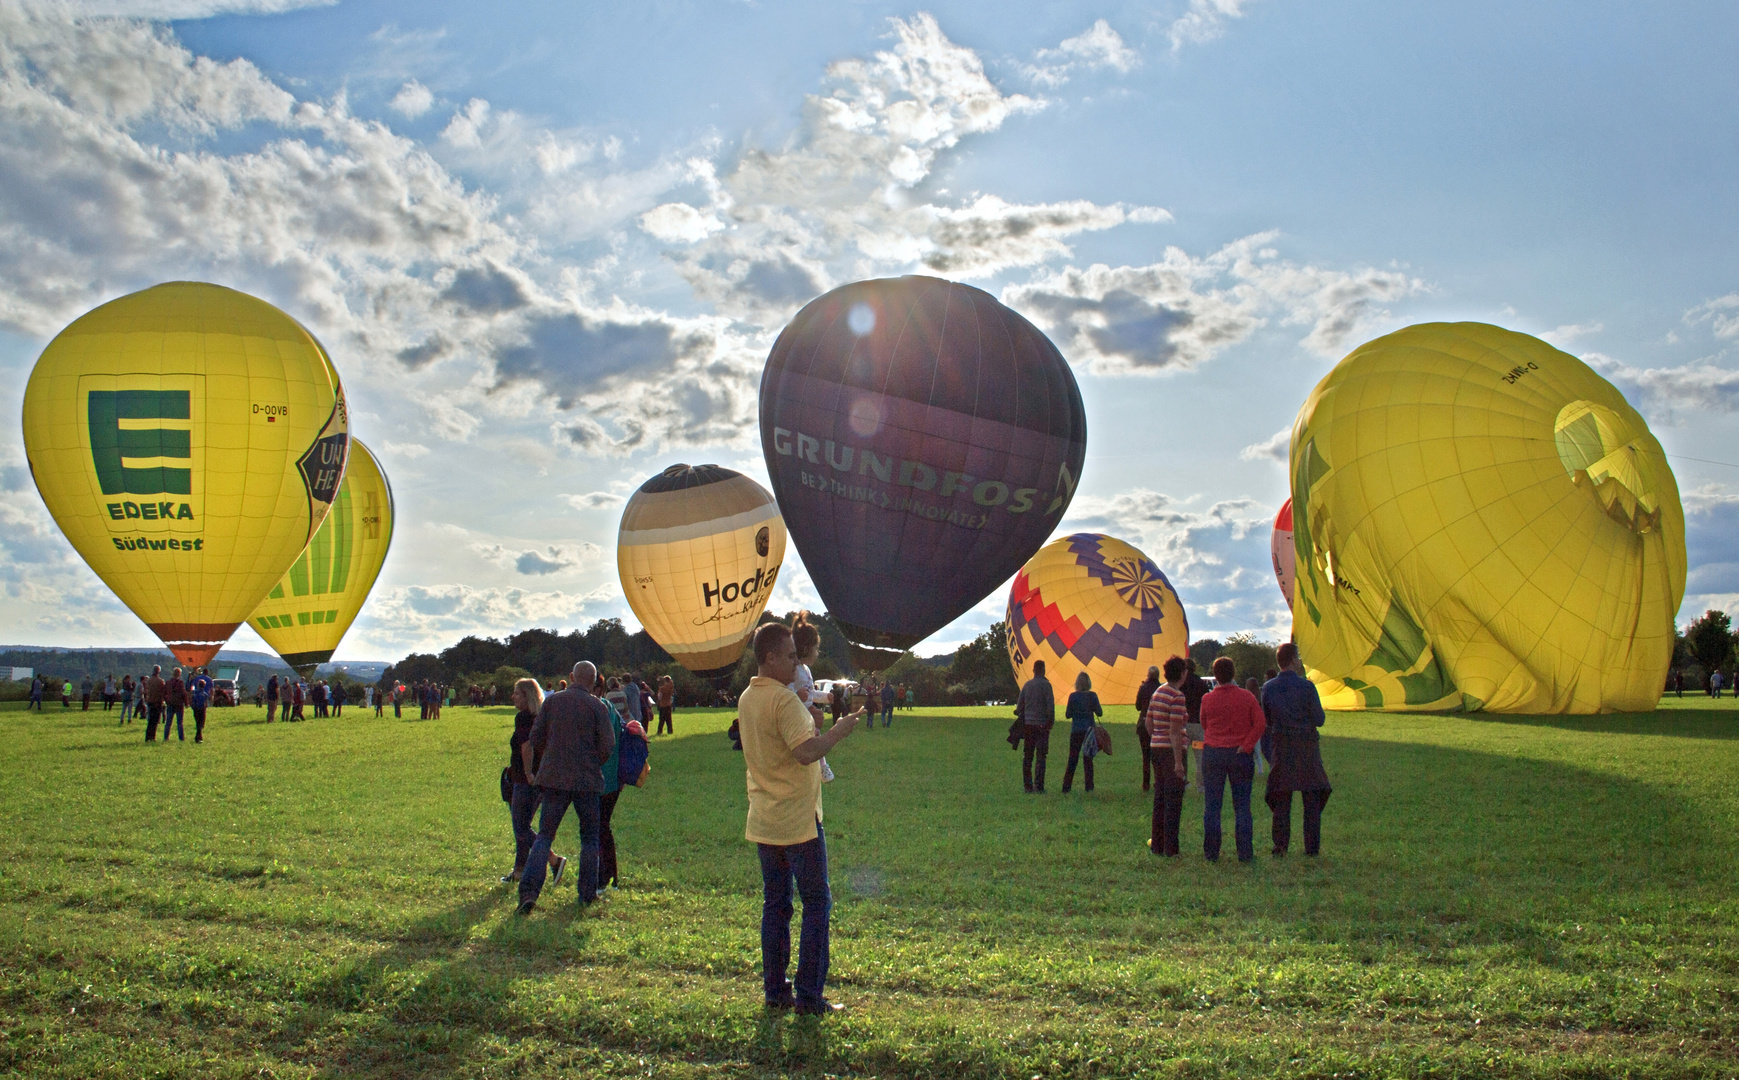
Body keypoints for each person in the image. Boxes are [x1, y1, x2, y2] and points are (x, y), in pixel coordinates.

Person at [739, 621, 863, 1015]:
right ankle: (809, 994)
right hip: (797, 820)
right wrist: (840, 731)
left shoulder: (747, 698)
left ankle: (775, 990)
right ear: (770, 657)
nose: (797, 663)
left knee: (775, 905)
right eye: (790, 656)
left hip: (764, 818)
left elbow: (786, 738)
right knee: (816, 902)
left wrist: (812, 726)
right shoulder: (783, 699)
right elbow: (806, 752)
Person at [518, 662, 616, 915]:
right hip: (587, 780)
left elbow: (536, 738)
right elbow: (607, 745)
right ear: (594, 682)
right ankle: (587, 894)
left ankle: (529, 893)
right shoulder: (597, 706)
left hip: (554, 778)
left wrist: (552, 756)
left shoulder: (552, 702)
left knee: (544, 836)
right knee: (590, 839)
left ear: (571, 677)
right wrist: (591, 761)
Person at [1261, 643, 1333, 857]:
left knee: (1281, 801)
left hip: (1282, 749)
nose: (1300, 661)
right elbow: (1319, 720)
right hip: (1306, 749)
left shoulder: (1268, 688)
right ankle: (1311, 847)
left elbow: (1267, 720)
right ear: (1292, 660)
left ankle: (1280, 846)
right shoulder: (1307, 687)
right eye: (1299, 657)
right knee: (1311, 800)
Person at [1199, 657, 1266, 862]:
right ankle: (1245, 853)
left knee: (1212, 806)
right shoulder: (1246, 697)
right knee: (1242, 806)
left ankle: (1211, 853)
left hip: (1213, 753)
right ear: (1234, 673)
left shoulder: (1207, 699)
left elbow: (1204, 724)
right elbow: (1260, 723)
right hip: (1239, 755)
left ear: (1215, 675)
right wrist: (1246, 745)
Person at [503, 678, 566, 886]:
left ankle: (554, 860)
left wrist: (528, 772)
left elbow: (526, 746)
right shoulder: (541, 716)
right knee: (523, 826)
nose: (513, 697)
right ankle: (519, 871)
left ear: (527, 696)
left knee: (521, 828)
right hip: (540, 777)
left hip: (526, 779)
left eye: (517, 693)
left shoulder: (523, 718)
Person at [1144, 656, 1191, 857]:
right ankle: (1171, 848)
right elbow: (1175, 731)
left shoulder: (1158, 692)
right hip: (1171, 751)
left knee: (1160, 797)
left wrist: (1156, 736)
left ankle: (1157, 844)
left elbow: (1148, 721)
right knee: (1174, 799)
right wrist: (1179, 762)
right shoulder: (1177, 696)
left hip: (1156, 747)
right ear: (1182, 674)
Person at [789, 613, 835, 783]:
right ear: (807, 648)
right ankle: (822, 767)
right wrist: (796, 696)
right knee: (813, 737)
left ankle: (822, 766)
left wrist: (825, 697)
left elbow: (811, 693)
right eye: (816, 649)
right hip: (799, 712)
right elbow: (785, 692)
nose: (817, 653)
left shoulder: (807, 671)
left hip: (808, 711)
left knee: (815, 734)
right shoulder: (793, 670)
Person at [1016, 660, 1056, 793]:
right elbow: (1050, 708)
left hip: (1028, 725)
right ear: (1043, 670)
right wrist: (1050, 723)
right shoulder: (1047, 685)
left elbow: (1019, 707)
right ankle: (1039, 786)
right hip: (1042, 726)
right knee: (1041, 756)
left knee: (1027, 756)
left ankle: (1028, 786)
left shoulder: (1026, 685)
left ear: (1033, 670)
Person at [1060, 671, 1103, 794]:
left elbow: (1068, 715)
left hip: (1076, 730)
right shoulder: (1092, 696)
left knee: (1072, 759)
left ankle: (1066, 787)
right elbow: (1100, 713)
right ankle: (1089, 786)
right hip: (1089, 731)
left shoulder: (1073, 697)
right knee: (1088, 759)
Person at [1181, 658, 1211, 792]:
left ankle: (1183, 782)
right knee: (1199, 757)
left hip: (1183, 725)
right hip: (1198, 726)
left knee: (1182, 755)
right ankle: (1201, 785)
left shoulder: (1180, 684)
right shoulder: (1201, 684)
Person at [1133, 665, 1160, 792]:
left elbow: (1138, 706)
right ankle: (1158, 782)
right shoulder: (1160, 689)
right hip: (1158, 724)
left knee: (1146, 756)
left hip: (1144, 724)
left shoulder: (1143, 688)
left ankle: (1146, 784)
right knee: (1158, 756)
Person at [189, 667, 213, 743]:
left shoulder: (197, 680)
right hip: (202, 708)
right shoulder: (209, 681)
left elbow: (192, 687)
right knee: (201, 723)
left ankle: (198, 736)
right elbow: (211, 690)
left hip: (196, 707)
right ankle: (199, 737)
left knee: (197, 722)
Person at [143, 665, 167, 742]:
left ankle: (148, 736)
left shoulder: (149, 680)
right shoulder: (160, 681)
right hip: (157, 702)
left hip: (150, 701)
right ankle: (152, 736)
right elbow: (163, 691)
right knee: (155, 721)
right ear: (158, 671)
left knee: (150, 720)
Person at [165, 667, 187, 741]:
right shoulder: (180, 683)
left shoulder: (168, 682)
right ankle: (181, 738)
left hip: (170, 704)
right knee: (180, 723)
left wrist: (167, 700)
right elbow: (183, 693)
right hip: (179, 704)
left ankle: (166, 737)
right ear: (179, 674)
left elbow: (164, 693)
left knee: (168, 722)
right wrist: (186, 702)